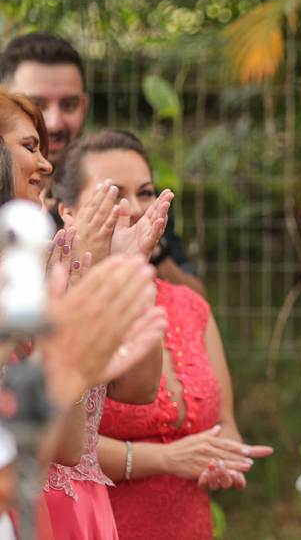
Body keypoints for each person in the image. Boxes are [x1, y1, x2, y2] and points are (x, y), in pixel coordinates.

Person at [42, 130, 273, 540]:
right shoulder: (53, 298)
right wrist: (167, 458)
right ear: (68, 212)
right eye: (113, 194)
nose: (133, 207)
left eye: (145, 191)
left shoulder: (189, 304)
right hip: (98, 518)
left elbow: (223, 424)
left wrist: (225, 457)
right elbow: (54, 441)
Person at [0, 89, 166, 539]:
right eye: (29, 147)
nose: (47, 165)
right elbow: (65, 446)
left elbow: (140, 388)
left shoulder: (56, 258)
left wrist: (128, 272)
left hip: (83, 510)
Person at [0, 33, 206, 296]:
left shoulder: (127, 182)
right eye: (37, 105)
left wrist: (148, 245)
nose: (53, 122)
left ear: (84, 105)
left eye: (69, 105)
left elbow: (193, 306)